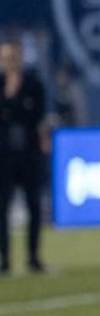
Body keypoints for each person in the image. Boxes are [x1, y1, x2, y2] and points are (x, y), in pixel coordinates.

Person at [0, 41, 48, 275]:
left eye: (10, 57)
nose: (6, 62)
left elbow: (37, 114)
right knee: (2, 208)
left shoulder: (33, 83)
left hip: (28, 154)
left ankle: (33, 257)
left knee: (34, 206)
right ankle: (5, 260)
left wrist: (12, 106)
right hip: (5, 156)